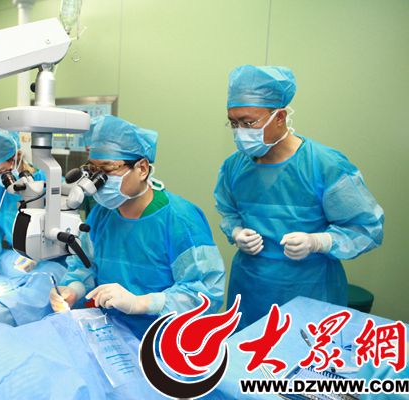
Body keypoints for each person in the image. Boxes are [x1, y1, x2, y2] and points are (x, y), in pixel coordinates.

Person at [214, 65, 384, 329]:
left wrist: (319, 241)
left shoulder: (324, 165)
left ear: (279, 116)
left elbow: (367, 228)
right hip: (250, 292)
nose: (240, 132)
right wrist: (236, 231)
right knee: (245, 350)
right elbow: (228, 211)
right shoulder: (235, 167)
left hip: (309, 295)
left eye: (249, 123)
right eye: (234, 123)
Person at [49, 115, 226, 338]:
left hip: (164, 339)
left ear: (142, 169)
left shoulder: (180, 219)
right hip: (111, 334)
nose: (97, 181)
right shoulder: (101, 215)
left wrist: (143, 303)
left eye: (107, 169)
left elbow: (206, 291)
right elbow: (85, 267)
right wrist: (74, 289)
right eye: (92, 169)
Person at [0, 127, 46, 282]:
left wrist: (40, 252)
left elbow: (63, 229)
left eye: (1, 172)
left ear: (17, 157)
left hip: (50, 261)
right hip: (16, 257)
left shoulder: (47, 183)